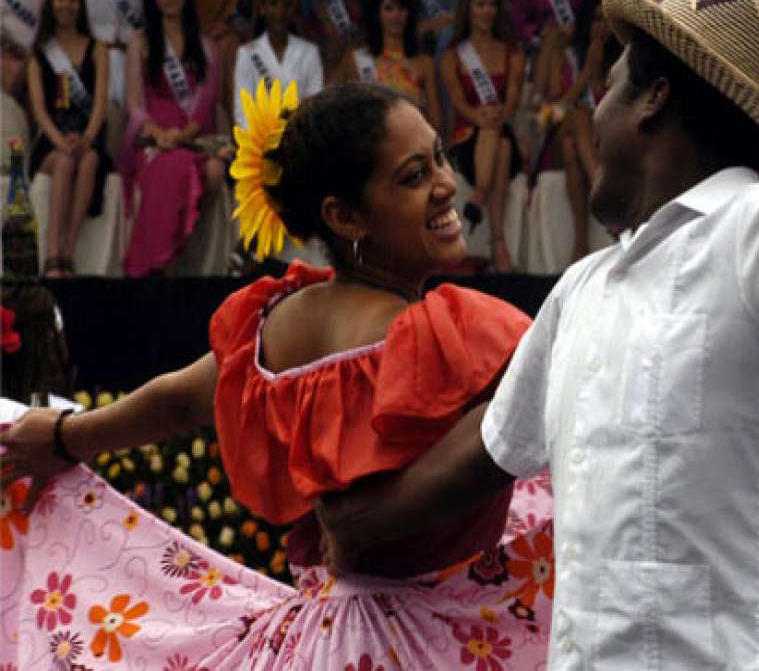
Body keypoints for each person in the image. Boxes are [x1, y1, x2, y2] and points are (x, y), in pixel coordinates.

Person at [312, 0, 759, 665]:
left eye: (607, 90)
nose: (593, 117)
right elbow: (487, 448)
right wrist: (355, 525)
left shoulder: (755, 230)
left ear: (653, 97)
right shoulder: (580, 292)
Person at [0, 81, 553, 668]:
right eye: (413, 177)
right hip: (432, 646)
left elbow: (177, 401)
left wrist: (64, 436)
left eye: (439, 157)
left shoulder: (276, 324)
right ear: (343, 216)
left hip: (325, 641)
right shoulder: (454, 333)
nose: (446, 184)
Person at [119, 0, 225, 277]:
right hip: (153, 138)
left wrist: (180, 136)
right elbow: (134, 104)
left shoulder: (206, 47)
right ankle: (157, 261)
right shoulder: (140, 42)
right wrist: (159, 134)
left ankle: (183, 252)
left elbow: (204, 109)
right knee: (174, 164)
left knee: (212, 170)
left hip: (191, 138)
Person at [26, 0, 111, 278]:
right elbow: (39, 110)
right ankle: (52, 255)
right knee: (64, 162)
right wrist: (60, 141)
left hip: (88, 138)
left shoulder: (97, 49)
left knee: (89, 161)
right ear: (51, 4)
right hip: (52, 140)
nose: (67, 5)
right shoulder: (39, 54)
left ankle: (68, 253)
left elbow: (100, 105)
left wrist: (87, 138)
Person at [439, 0, 525, 273]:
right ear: (468, 9)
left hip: (500, 127)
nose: (487, 11)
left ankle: (479, 196)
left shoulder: (513, 52)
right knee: (500, 145)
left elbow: (512, 100)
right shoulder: (453, 55)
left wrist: (496, 115)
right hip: (466, 140)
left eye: (492, 5)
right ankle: (498, 243)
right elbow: (456, 100)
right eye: (480, 4)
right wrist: (479, 117)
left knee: (498, 136)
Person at [529, 0, 613, 261]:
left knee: (571, 147)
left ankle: (580, 244)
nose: (601, 27)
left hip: (599, 144)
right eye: (596, 20)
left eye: (607, 20)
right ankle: (603, 188)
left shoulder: (622, 63)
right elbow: (547, 118)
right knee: (577, 118)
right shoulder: (564, 58)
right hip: (553, 141)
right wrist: (585, 75)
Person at [342, 0, 442, 134]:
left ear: (409, 13)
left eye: (401, 9)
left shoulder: (424, 63)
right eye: (389, 8)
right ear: (377, 13)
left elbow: (436, 122)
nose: (396, 16)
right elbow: (350, 114)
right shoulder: (356, 60)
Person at [232, 0, 323, 130]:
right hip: (260, 137)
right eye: (273, 3)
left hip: (300, 136)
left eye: (286, 4)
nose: (280, 11)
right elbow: (242, 112)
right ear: (263, 8)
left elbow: (315, 106)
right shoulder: (247, 54)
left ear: (292, 11)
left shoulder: (310, 53)